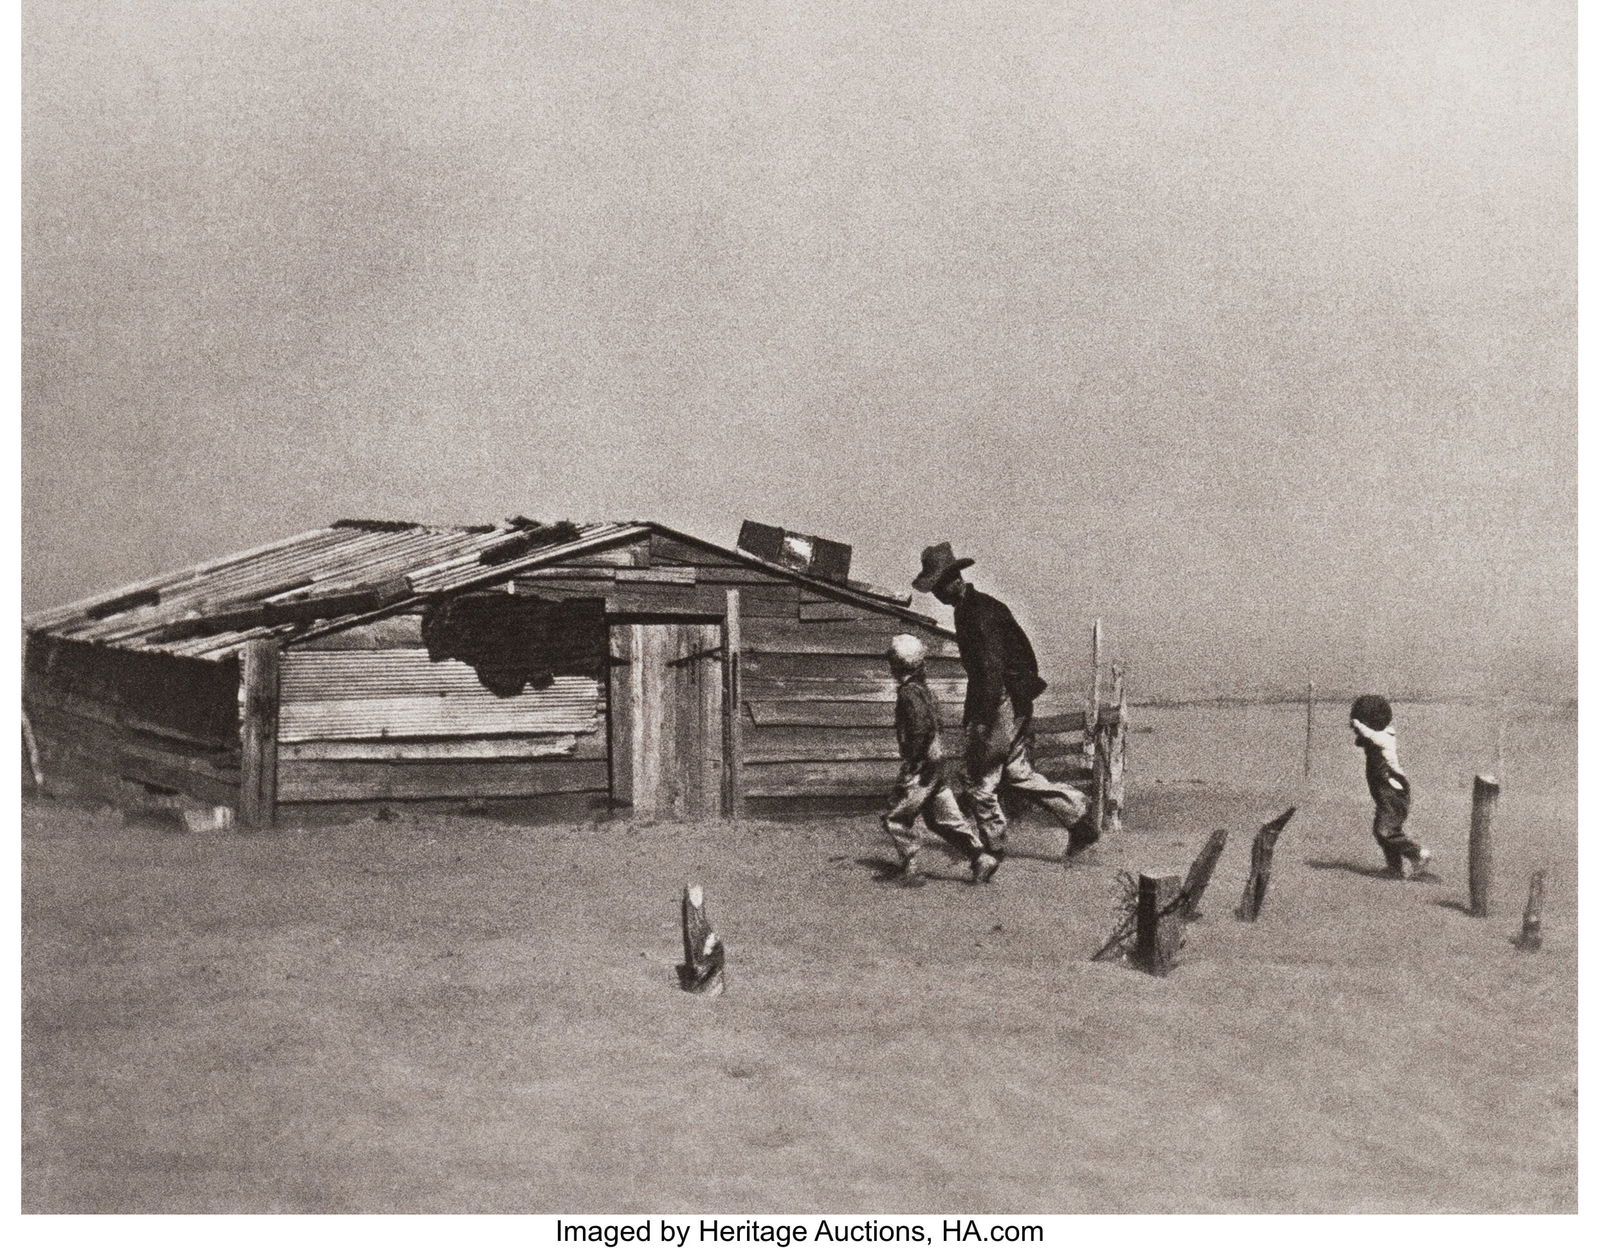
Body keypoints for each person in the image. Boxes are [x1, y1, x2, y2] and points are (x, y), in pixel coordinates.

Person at [911, 543, 1097, 861]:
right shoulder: (974, 607)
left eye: (940, 585)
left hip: (1001, 703)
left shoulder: (976, 613)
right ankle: (1079, 819)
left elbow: (990, 670)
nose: (937, 594)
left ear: (955, 580)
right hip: (1012, 701)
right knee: (1018, 774)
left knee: (979, 780)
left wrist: (982, 723)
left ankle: (993, 848)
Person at [879, 634, 1000, 886]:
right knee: (942, 818)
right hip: (935, 767)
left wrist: (918, 755)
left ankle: (911, 866)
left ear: (895, 665)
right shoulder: (925, 691)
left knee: (895, 815)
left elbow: (920, 727)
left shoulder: (908, 694)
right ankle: (980, 857)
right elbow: (935, 723)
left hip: (921, 766)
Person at [1349, 694, 1432, 880]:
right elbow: (1363, 739)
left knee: (1384, 831)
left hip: (1393, 792)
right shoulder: (1374, 737)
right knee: (1386, 831)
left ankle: (1418, 854)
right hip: (1384, 793)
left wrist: (1357, 724)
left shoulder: (1384, 737)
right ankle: (1394, 869)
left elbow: (1370, 735)